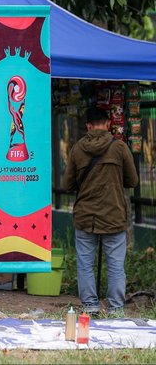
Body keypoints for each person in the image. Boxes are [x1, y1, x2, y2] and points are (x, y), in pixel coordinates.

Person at [63, 106, 138, 316]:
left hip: (86, 216)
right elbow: (132, 181)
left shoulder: (77, 149)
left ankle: (90, 306)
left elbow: (68, 184)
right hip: (113, 216)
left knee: (85, 263)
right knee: (115, 265)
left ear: (88, 126)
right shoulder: (120, 148)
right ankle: (115, 309)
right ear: (107, 125)